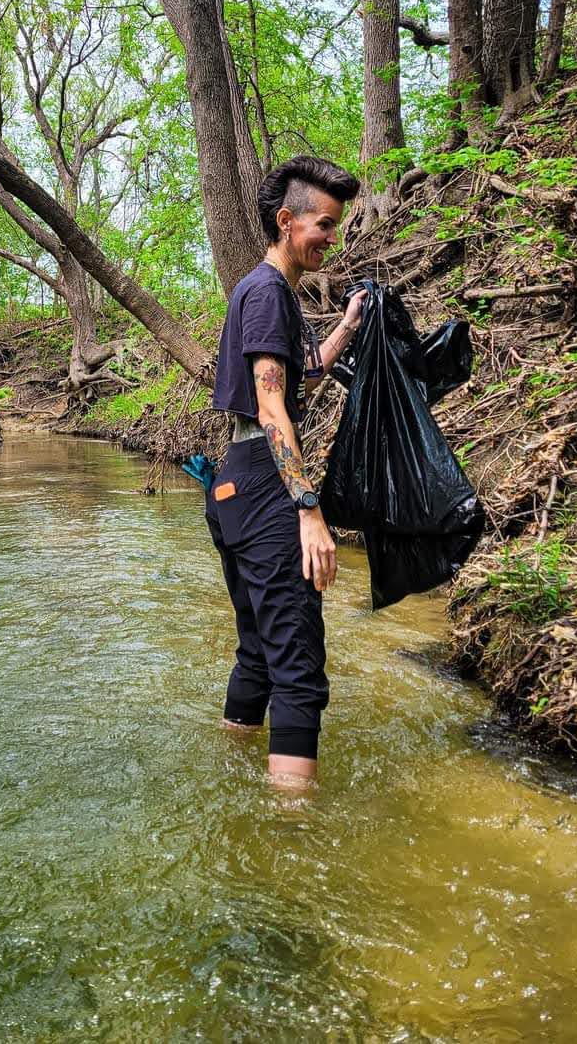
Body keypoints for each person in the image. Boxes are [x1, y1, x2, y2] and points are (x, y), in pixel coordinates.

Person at [207, 156, 365, 788]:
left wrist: (349, 324)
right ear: (285, 221)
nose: (332, 238)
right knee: (297, 661)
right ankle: (292, 839)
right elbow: (272, 403)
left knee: (258, 651)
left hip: (231, 485)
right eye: (324, 225)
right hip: (266, 484)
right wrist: (309, 508)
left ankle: (231, 764)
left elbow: (302, 371)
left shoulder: (263, 293)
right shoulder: (270, 292)